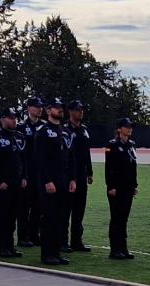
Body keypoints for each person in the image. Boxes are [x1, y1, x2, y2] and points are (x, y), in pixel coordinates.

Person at [34, 100, 74, 264]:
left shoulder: (64, 131)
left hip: (63, 179)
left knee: (60, 217)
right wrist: (47, 181)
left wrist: (72, 178)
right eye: (57, 108)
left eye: (61, 108)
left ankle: (56, 252)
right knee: (49, 218)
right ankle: (47, 254)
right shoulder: (43, 131)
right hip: (50, 181)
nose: (60, 110)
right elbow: (39, 159)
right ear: (49, 110)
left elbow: (70, 157)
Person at [0, 109, 27, 259]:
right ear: (2, 119)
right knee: (3, 214)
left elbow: (23, 159)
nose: (14, 120)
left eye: (15, 118)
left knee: (13, 215)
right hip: (3, 182)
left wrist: (24, 177)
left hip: (17, 181)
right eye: (10, 118)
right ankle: (2, 247)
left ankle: (11, 246)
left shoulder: (19, 136)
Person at [105, 118, 138, 259]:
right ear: (119, 129)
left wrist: (134, 185)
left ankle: (123, 248)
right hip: (117, 188)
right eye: (126, 127)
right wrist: (111, 186)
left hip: (128, 187)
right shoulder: (112, 145)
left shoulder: (131, 144)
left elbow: (133, 167)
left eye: (130, 127)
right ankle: (115, 249)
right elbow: (109, 168)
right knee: (116, 218)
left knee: (124, 219)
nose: (129, 129)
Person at [65, 100, 93, 252]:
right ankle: (63, 241)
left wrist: (90, 171)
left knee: (79, 210)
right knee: (65, 209)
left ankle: (77, 241)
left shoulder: (84, 129)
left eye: (82, 109)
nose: (80, 112)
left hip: (82, 174)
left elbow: (87, 152)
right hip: (69, 174)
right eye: (77, 110)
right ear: (70, 112)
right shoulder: (65, 130)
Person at [20, 97, 47, 247]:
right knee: (24, 206)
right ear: (29, 108)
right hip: (27, 171)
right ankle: (23, 236)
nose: (39, 109)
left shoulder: (44, 127)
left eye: (40, 107)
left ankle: (34, 234)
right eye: (36, 107)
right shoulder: (22, 127)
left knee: (39, 206)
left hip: (40, 172)